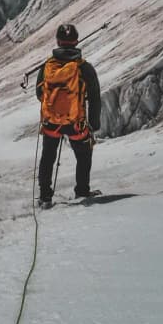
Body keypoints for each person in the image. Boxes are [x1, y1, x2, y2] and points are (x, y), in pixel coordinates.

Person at [35, 23, 102, 207]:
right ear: (76, 41)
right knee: (83, 154)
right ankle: (82, 191)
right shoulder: (84, 68)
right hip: (75, 124)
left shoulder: (48, 67)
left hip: (51, 123)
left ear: (58, 41)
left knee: (48, 156)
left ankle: (45, 197)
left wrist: (54, 105)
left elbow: (40, 94)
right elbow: (95, 97)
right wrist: (94, 124)